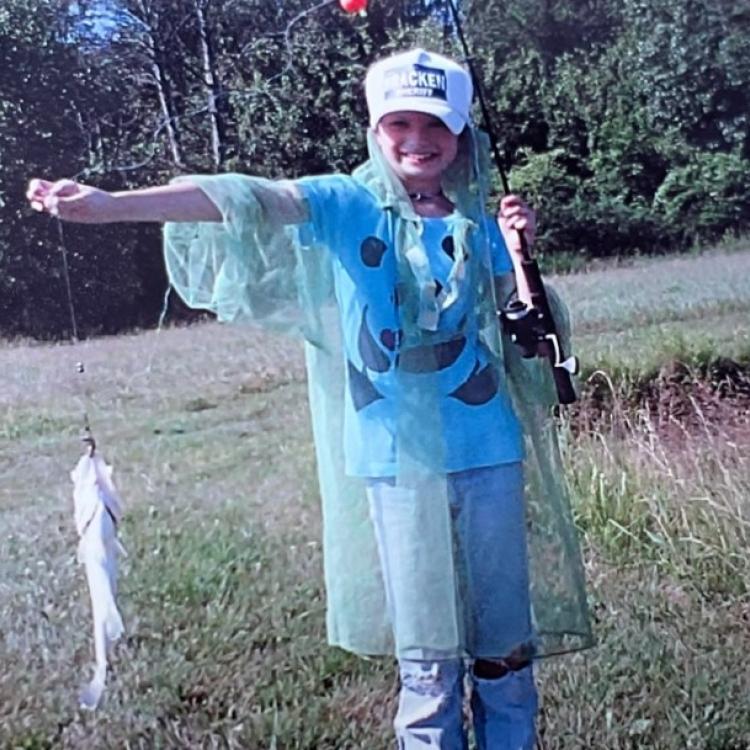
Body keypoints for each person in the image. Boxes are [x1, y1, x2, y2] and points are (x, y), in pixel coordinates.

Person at [27, 48, 591, 750]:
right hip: (394, 460)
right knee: (427, 658)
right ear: (375, 129)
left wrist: (521, 252)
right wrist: (114, 208)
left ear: (461, 136)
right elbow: (242, 196)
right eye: (400, 124)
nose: (418, 141)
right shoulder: (343, 204)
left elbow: (531, 332)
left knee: (503, 645)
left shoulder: (482, 220)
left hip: (489, 452)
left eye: (436, 126)